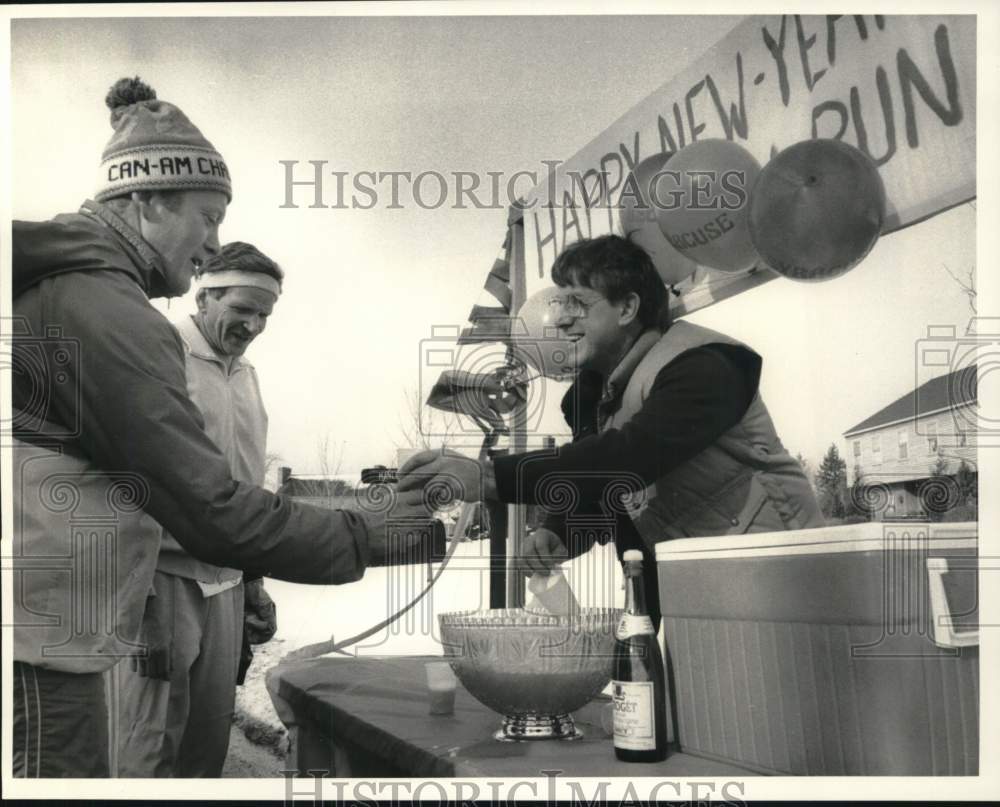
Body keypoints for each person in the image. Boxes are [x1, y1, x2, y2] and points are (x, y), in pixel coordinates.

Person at [11, 77, 432, 778]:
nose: (212, 242)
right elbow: (201, 500)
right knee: (137, 756)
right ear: (146, 201)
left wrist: (256, 578)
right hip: (64, 624)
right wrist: (365, 533)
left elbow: (228, 487)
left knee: (193, 751)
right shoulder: (111, 313)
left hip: (95, 614)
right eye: (206, 219)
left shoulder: (104, 303)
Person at [398, 235, 824, 624]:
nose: (559, 320)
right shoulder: (593, 397)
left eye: (577, 303)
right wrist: (558, 531)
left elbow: (628, 458)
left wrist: (489, 477)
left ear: (627, 308)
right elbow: (607, 495)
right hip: (689, 591)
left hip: (778, 586)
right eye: (558, 304)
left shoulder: (706, 363)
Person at [114, 242, 282, 777]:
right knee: (149, 738)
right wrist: (139, 594)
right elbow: (125, 475)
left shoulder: (247, 374)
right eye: (243, 309)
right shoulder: (161, 353)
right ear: (206, 296)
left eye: (265, 313)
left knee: (209, 737)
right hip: (163, 580)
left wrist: (253, 576)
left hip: (226, 581)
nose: (254, 324)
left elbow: (247, 483)